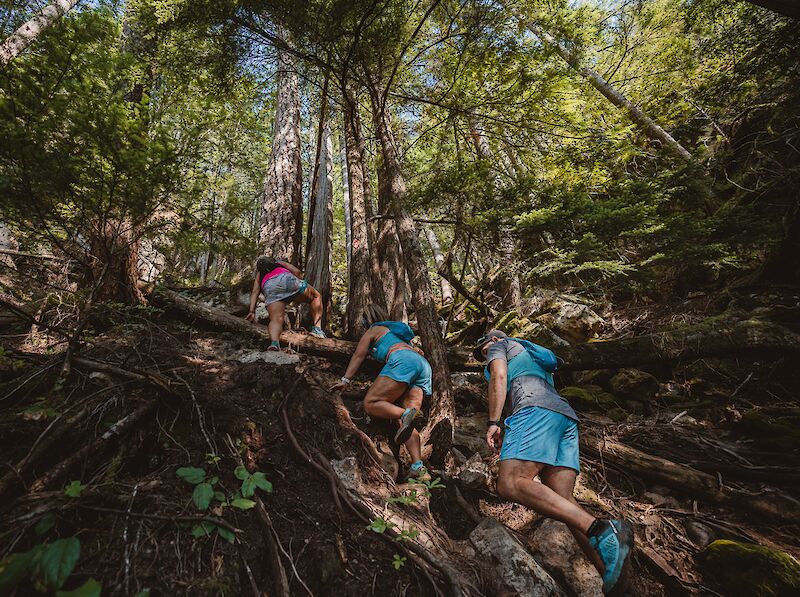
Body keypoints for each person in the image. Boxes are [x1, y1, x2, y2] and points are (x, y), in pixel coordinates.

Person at [474, 329, 633, 595]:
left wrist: (493, 422)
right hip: (563, 416)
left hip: (533, 409)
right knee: (564, 502)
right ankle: (615, 582)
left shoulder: (499, 346)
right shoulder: (534, 354)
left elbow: (499, 377)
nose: (482, 355)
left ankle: (603, 529)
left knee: (510, 482)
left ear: (492, 340)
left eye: (481, 348)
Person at [330, 304, 432, 482]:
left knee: (371, 403)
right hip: (422, 365)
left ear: (367, 319)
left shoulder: (374, 330)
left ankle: (408, 414)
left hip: (403, 360)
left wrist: (345, 380)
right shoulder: (398, 335)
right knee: (406, 424)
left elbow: (359, 355)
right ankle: (418, 467)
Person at [246, 256, 325, 350]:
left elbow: (255, 292)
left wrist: (252, 311)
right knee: (316, 296)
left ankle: (274, 343)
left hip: (271, 288)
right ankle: (317, 329)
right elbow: (297, 272)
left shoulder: (260, 274)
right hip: (287, 281)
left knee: (275, 320)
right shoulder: (278, 264)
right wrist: (299, 284)